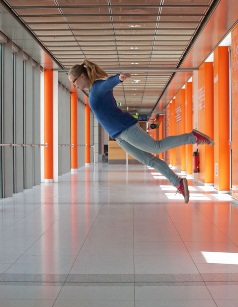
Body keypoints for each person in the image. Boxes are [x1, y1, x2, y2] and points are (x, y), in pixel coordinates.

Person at [68, 60, 214, 204]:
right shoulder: (94, 90)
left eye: (73, 81)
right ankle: (178, 183)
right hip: (119, 136)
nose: (73, 85)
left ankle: (192, 137)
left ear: (82, 76)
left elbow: (107, 83)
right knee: (149, 160)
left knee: (156, 147)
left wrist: (118, 78)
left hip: (126, 129)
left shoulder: (96, 88)